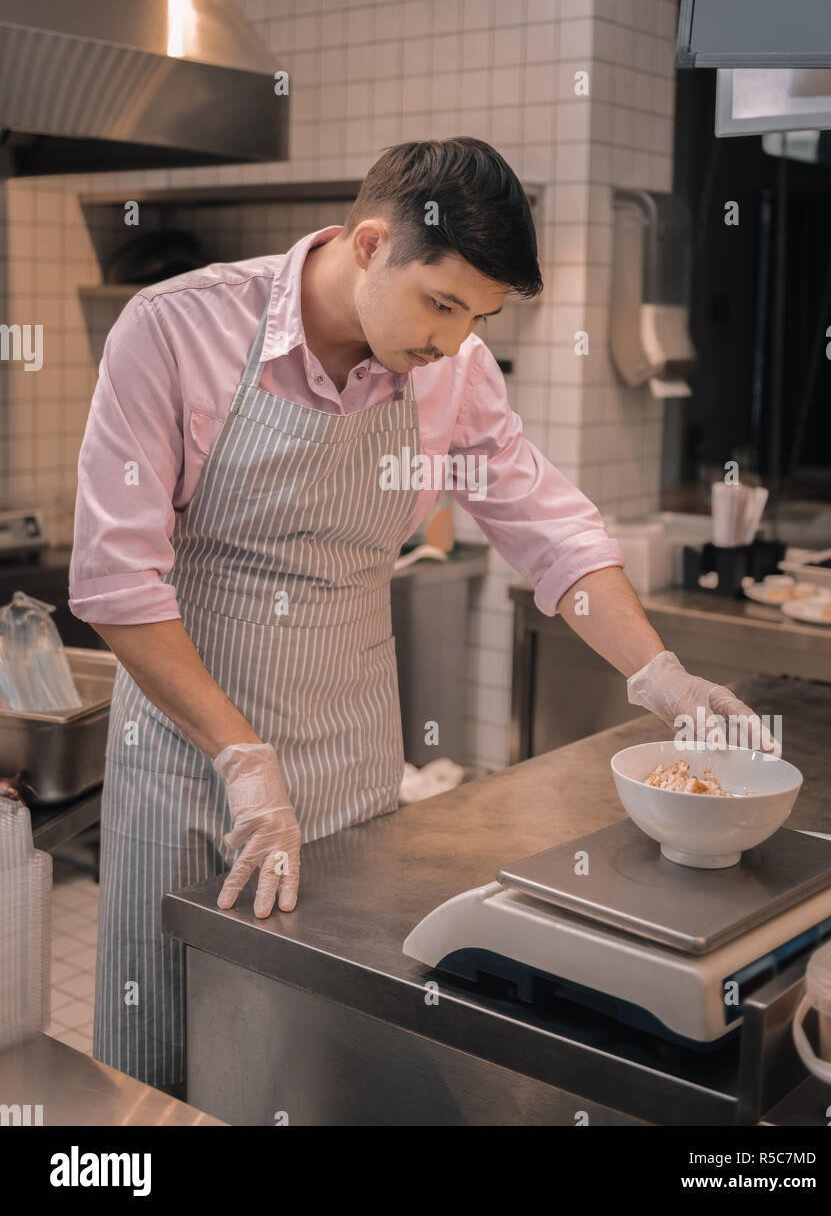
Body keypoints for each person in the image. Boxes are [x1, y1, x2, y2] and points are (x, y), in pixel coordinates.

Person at [69, 136, 773, 1092]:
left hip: (351, 750)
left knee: (318, 1045)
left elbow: (550, 529)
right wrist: (241, 754)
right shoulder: (174, 329)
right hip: (190, 760)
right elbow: (118, 585)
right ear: (368, 245)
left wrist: (661, 675)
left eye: (476, 317)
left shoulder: (454, 367)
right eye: (441, 303)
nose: (450, 340)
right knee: (162, 1048)